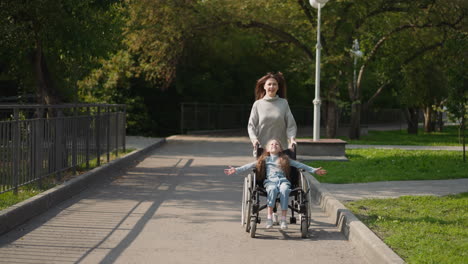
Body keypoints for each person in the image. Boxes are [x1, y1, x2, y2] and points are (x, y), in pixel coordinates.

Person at [224, 139, 327, 230]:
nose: (274, 145)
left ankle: (283, 219)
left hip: (283, 181)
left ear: (280, 149)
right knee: (272, 189)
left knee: (285, 190)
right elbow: (249, 165)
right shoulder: (264, 159)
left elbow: (299, 165)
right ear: (267, 149)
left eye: (276, 144)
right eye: (271, 144)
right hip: (270, 182)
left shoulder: (285, 159)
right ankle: (269, 219)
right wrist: (236, 169)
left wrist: (313, 170)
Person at [248, 72, 297, 151]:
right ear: (264, 86)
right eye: (269, 84)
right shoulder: (257, 104)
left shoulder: (283, 103)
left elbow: (291, 125)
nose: (272, 86)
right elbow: (251, 126)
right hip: (262, 148)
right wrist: (254, 140)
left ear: (278, 87)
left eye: (274, 84)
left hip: (281, 148)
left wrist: (292, 139)